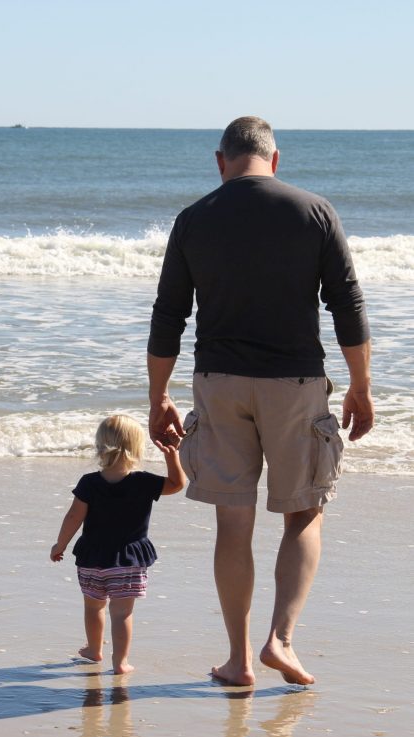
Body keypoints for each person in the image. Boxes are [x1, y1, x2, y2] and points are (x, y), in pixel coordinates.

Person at [147, 116, 374, 687]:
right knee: (303, 513)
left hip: (219, 383)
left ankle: (239, 661)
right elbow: (347, 304)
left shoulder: (194, 219)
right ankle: (281, 640)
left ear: (220, 161)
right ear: (275, 160)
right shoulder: (313, 211)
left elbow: (167, 315)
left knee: (233, 522)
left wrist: (159, 398)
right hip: (294, 384)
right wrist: (361, 386)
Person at [50, 414, 186, 674]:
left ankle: (93, 649)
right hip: (128, 560)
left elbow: (73, 517)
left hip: (92, 557)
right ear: (137, 447)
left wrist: (60, 545)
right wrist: (172, 454)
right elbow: (177, 484)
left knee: (93, 606)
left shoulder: (89, 482)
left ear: (100, 445)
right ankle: (120, 662)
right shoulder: (144, 481)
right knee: (122, 612)